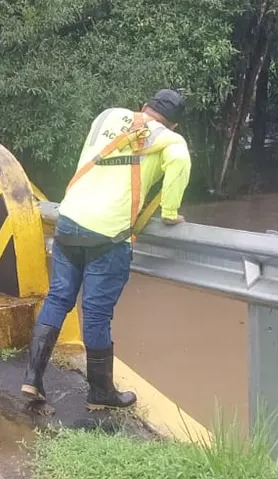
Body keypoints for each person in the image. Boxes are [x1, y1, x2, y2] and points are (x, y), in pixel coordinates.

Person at [22, 89, 192, 411]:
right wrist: (169, 212)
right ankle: (100, 393)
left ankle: (32, 378)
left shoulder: (109, 116)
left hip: (69, 220)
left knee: (58, 298)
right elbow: (180, 163)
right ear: (174, 125)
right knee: (96, 314)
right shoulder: (171, 142)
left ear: (144, 106)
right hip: (107, 235)